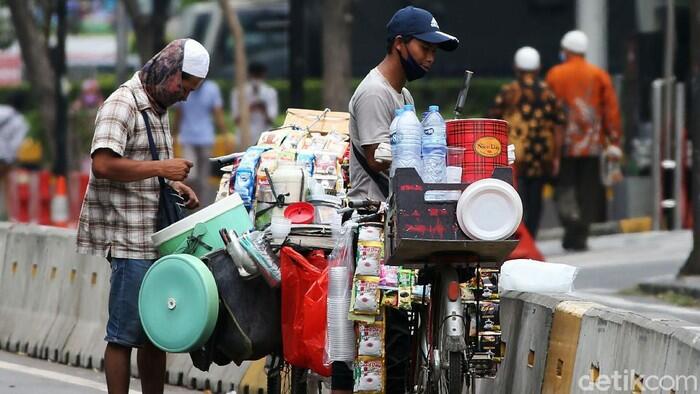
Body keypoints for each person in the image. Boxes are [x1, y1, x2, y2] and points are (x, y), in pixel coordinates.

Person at [76, 38, 207, 394]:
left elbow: (144, 168)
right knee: (123, 336)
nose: (185, 96)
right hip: (129, 240)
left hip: (157, 238)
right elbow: (103, 164)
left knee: (155, 334)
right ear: (169, 70)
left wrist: (174, 184)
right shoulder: (123, 103)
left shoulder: (158, 107)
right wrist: (163, 166)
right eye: (184, 86)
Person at [341, 6, 458, 393]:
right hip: (373, 226)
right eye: (425, 47)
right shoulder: (375, 92)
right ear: (399, 44)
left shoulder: (401, 93)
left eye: (434, 50)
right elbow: (379, 157)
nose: (430, 57)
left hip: (397, 222)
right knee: (386, 338)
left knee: (402, 332)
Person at [545, 30, 623, 251]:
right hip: (592, 145)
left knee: (565, 186)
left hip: (564, 145)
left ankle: (571, 224)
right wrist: (614, 138)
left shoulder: (554, 74)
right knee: (588, 189)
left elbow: (548, 110)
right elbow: (611, 111)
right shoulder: (598, 75)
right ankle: (582, 231)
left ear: (566, 50)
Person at [487, 46, 566, 237]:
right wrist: (556, 156)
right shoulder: (548, 93)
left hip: (515, 154)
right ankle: (532, 235)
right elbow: (559, 125)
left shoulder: (508, 92)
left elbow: (492, 120)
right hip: (541, 154)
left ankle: (518, 236)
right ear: (538, 68)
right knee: (535, 196)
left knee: (516, 195)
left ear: (516, 67)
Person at [173, 79, 227, 205]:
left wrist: (224, 133)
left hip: (206, 137)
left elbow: (217, 112)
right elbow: (179, 113)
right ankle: (189, 197)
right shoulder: (184, 86)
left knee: (203, 177)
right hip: (187, 137)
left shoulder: (212, 88)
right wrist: (174, 134)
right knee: (190, 175)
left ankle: (200, 204)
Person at [231, 62, 278, 148]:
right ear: (250, 75)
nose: (257, 79)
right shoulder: (238, 92)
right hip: (244, 138)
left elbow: (271, 120)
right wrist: (249, 109)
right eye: (255, 76)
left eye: (259, 76)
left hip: (263, 138)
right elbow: (236, 120)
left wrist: (264, 110)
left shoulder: (270, 93)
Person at [0, 93, 29, 221]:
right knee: (7, 186)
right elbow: (15, 146)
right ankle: (8, 216)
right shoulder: (21, 121)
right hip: (4, 159)